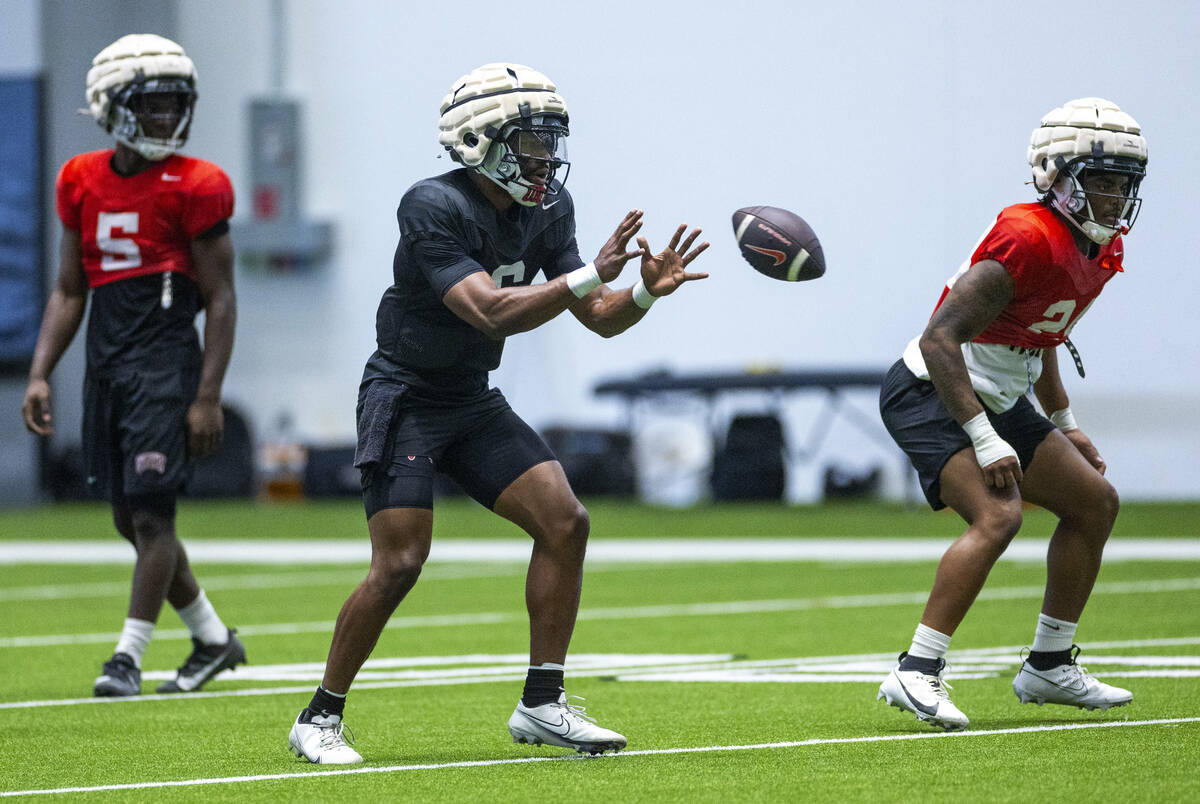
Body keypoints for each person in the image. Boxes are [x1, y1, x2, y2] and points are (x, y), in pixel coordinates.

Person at [287, 62, 708, 764]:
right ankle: (319, 717)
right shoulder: (430, 204)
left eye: (550, 142)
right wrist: (587, 276)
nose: (546, 157)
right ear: (480, 140)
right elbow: (487, 309)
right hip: (407, 395)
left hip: (471, 399)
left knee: (565, 520)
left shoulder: (548, 210)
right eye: (531, 142)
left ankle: (542, 703)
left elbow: (597, 317)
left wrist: (643, 293)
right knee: (399, 563)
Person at [876, 97, 1148, 730]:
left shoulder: (1098, 249)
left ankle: (1049, 664)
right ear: (1054, 175)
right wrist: (983, 436)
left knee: (1094, 503)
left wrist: (1065, 424)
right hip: (933, 391)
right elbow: (941, 338)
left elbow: (1040, 334)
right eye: (1099, 180)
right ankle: (915, 670)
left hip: (997, 395)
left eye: (1123, 182)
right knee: (1000, 515)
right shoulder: (1027, 236)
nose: (1113, 197)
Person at [22, 34, 245, 697]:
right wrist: (39, 371)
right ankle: (212, 638)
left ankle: (126, 657)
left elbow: (222, 298)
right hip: (107, 368)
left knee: (152, 519)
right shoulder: (79, 178)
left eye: (176, 103)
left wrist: (207, 394)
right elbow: (68, 290)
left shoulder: (198, 184)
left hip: (163, 367)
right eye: (151, 105)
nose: (166, 117)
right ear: (110, 105)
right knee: (128, 518)